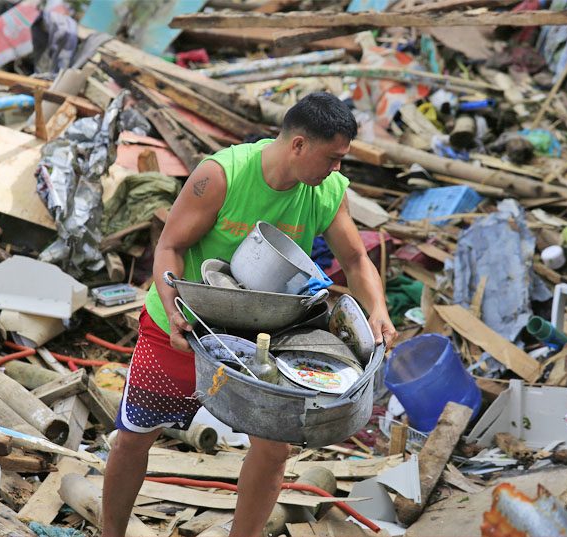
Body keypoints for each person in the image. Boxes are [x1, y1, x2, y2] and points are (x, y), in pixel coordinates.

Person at [101, 92, 397, 537]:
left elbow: (356, 260)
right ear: (298, 144)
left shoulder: (327, 191)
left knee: (274, 450)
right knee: (134, 437)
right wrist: (173, 308)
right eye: (332, 158)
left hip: (267, 335)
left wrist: (378, 310)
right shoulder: (223, 175)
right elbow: (170, 247)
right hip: (187, 322)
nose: (337, 169)